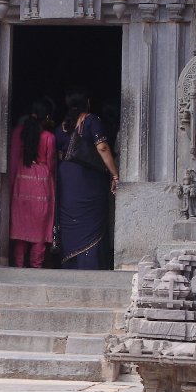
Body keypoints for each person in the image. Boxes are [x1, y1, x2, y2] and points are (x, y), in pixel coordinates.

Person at [54, 91, 119, 270]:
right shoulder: (92, 121)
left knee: (70, 219)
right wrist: (115, 173)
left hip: (66, 177)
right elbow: (103, 147)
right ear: (88, 103)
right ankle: (89, 264)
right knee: (90, 220)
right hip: (87, 178)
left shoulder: (62, 126)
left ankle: (70, 263)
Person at [9, 100, 56, 268]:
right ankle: (37, 267)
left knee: (21, 230)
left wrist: (11, 184)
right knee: (40, 231)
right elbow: (51, 165)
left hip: (22, 183)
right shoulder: (49, 137)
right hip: (42, 185)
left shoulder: (19, 133)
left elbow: (13, 161)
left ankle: (18, 267)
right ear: (47, 117)